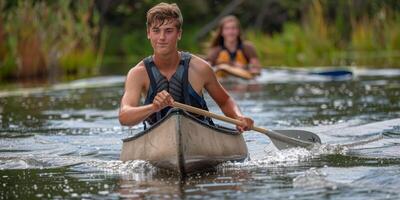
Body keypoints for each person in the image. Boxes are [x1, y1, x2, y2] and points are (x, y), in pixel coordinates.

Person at [118, 3, 253, 132]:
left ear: (179, 33)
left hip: (200, 135)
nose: (162, 37)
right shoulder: (137, 73)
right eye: (156, 31)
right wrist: (153, 107)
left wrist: (238, 117)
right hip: (157, 139)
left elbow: (225, 101)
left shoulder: (200, 68)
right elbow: (124, 116)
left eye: (169, 31)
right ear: (148, 33)